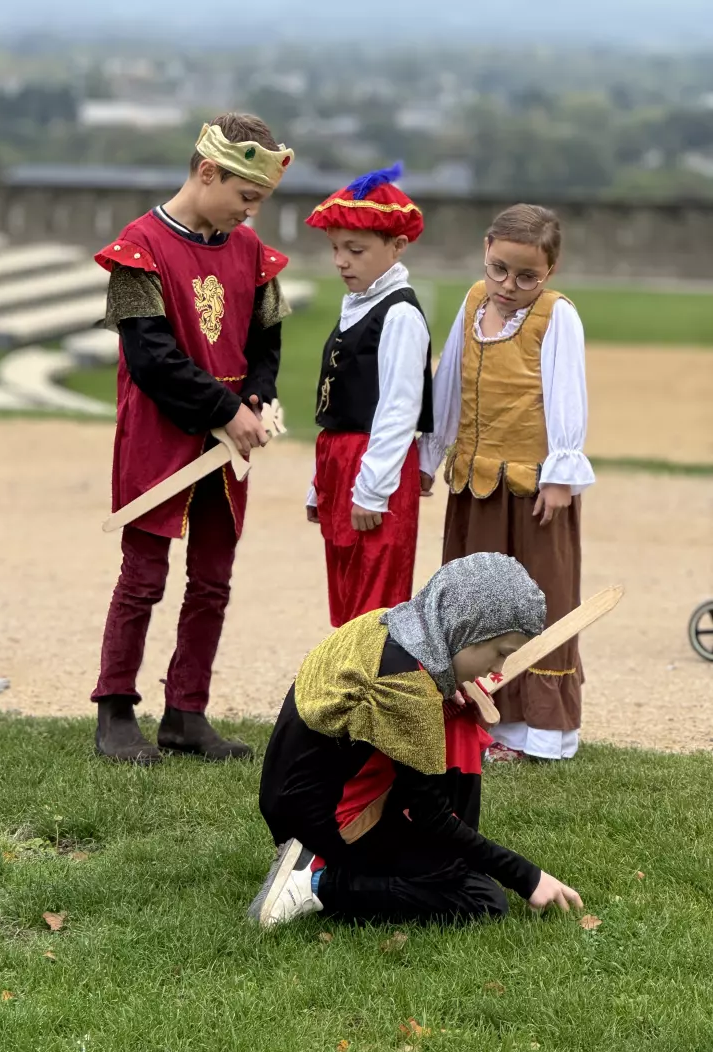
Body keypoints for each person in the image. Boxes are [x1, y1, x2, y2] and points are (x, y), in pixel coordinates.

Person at [91, 113, 294, 764]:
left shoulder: (251, 252)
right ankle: (115, 711)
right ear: (208, 172)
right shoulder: (140, 248)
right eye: (245, 196)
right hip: (160, 433)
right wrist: (224, 408)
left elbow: (266, 341)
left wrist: (255, 397)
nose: (250, 211)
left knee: (212, 581)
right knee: (143, 577)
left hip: (228, 441)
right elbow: (150, 357)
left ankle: (186, 713)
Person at [249, 553, 583, 928]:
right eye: (500, 653)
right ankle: (314, 882)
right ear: (466, 630)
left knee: (453, 856)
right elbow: (431, 815)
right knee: (479, 897)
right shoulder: (408, 687)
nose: (498, 669)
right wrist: (527, 876)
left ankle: (323, 864)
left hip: (291, 797)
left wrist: (445, 689)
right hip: (324, 818)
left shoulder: (390, 624)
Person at [419, 204, 595, 763]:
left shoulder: (555, 316)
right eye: (499, 269)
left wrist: (560, 475)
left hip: (534, 489)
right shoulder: (473, 301)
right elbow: (449, 385)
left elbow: (566, 394)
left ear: (550, 271)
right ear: (486, 249)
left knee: (540, 596)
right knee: (475, 602)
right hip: (475, 484)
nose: (508, 286)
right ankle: (478, 722)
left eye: (526, 277)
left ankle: (538, 733)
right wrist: (429, 455)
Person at [303, 163, 432, 627]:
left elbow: (399, 409)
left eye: (355, 250)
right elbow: (338, 400)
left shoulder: (399, 315)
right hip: (341, 462)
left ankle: (375, 674)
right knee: (344, 593)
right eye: (336, 248)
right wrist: (321, 482)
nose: (341, 261)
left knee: (374, 601)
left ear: (397, 246)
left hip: (374, 466)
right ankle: (348, 671)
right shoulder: (358, 305)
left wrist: (373, 490)